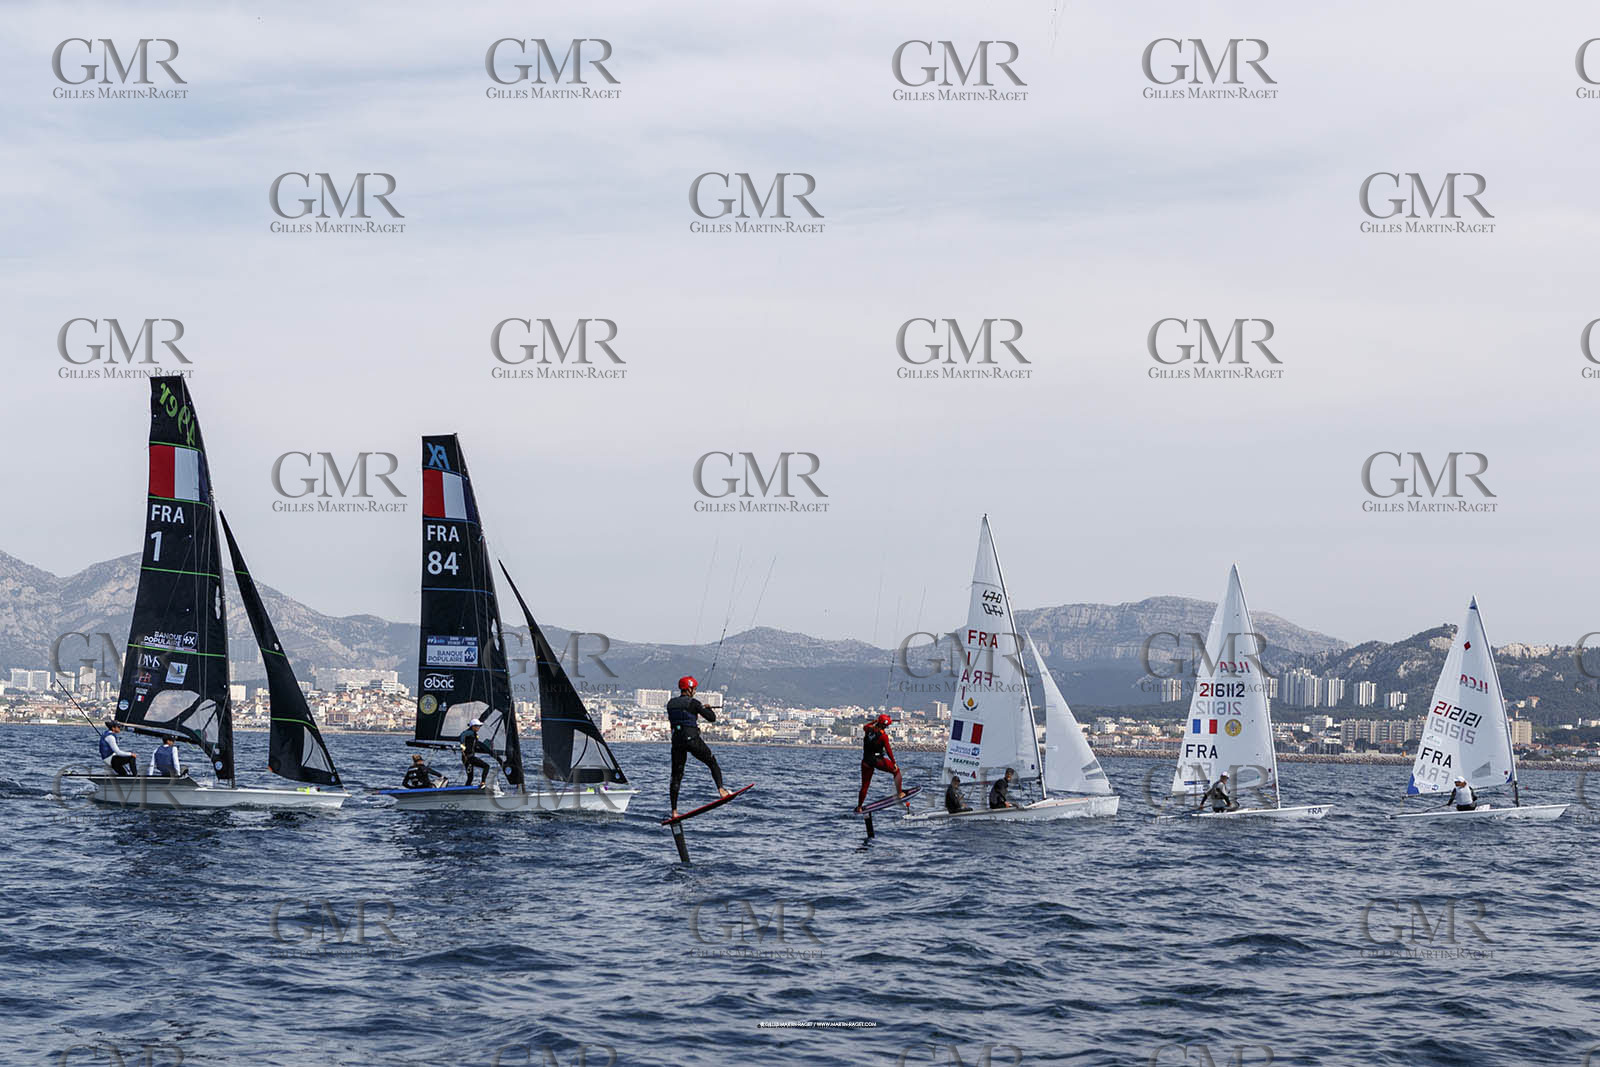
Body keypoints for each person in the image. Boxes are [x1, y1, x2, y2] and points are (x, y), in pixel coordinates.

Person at [666, 675, 731, 818]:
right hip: (692, 740)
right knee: (712, 762)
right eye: (694, 688)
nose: (695, 691)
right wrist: (707, 708)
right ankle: (721, 790)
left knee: (676, 776)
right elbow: (711, 718)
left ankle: (674, 812)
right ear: (689, 689)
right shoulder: (694, 703)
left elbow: (682, 713)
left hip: (676, 742)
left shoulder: (670, 703)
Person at [856, 713, 908, 813]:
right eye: (886, 725)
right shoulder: (883, 736)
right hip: (877, 760)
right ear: (884, 725)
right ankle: (900, 793)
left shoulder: (868, 729)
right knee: (896, 771)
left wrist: (875, 721)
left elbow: (865, 726)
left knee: (865, 786)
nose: (887, 727)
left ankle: (859, 807)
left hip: (866, 761)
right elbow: (888, 750)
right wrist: (894, 762)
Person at [458, 719, 494, 788]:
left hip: (469, 758)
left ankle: (466, 790)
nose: (479, 728)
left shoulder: (474, 735)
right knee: (486, 766)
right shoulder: (470, 732)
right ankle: (483, 783)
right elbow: (462, 735)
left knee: (470, 778)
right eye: (477, 726)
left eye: (479, 726)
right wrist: (462, 744)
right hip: (468, 758)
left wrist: (488, 749)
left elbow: (477, 746)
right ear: (473, 726)